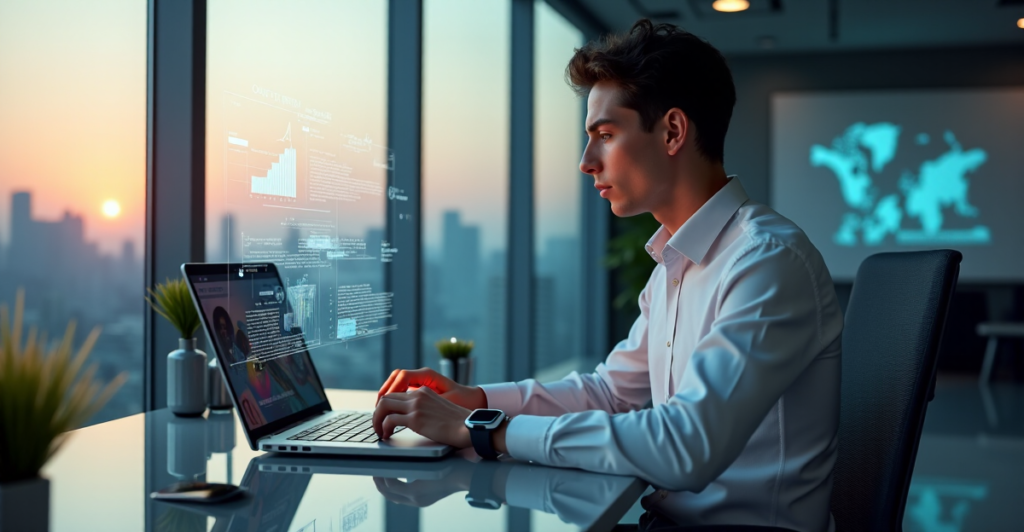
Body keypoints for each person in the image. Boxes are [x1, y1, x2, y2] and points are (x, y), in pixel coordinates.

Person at [373, 19, 843, 532]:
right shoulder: (674, 265)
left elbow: (686, 446)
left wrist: (486, 430)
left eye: (605, 135)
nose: (586, 162)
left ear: (672, 131)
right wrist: (478, 401)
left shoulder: (765, 261)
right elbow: (611, 395)